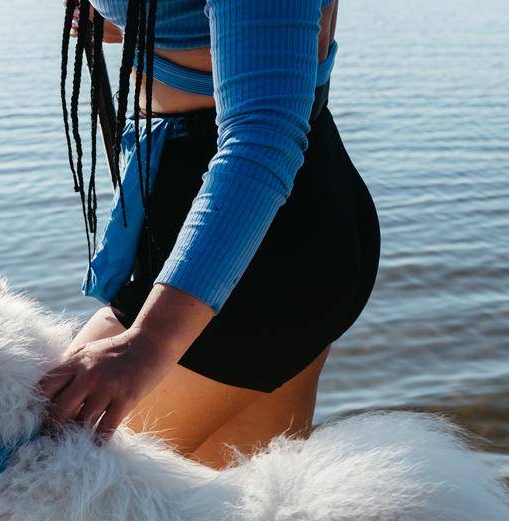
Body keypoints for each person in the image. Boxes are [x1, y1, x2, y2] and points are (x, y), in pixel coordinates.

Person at [44, 0, 378, 468]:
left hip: (247, 237)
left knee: (16, 493)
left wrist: (149, 345)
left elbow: (265, 131)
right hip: (265, 225)